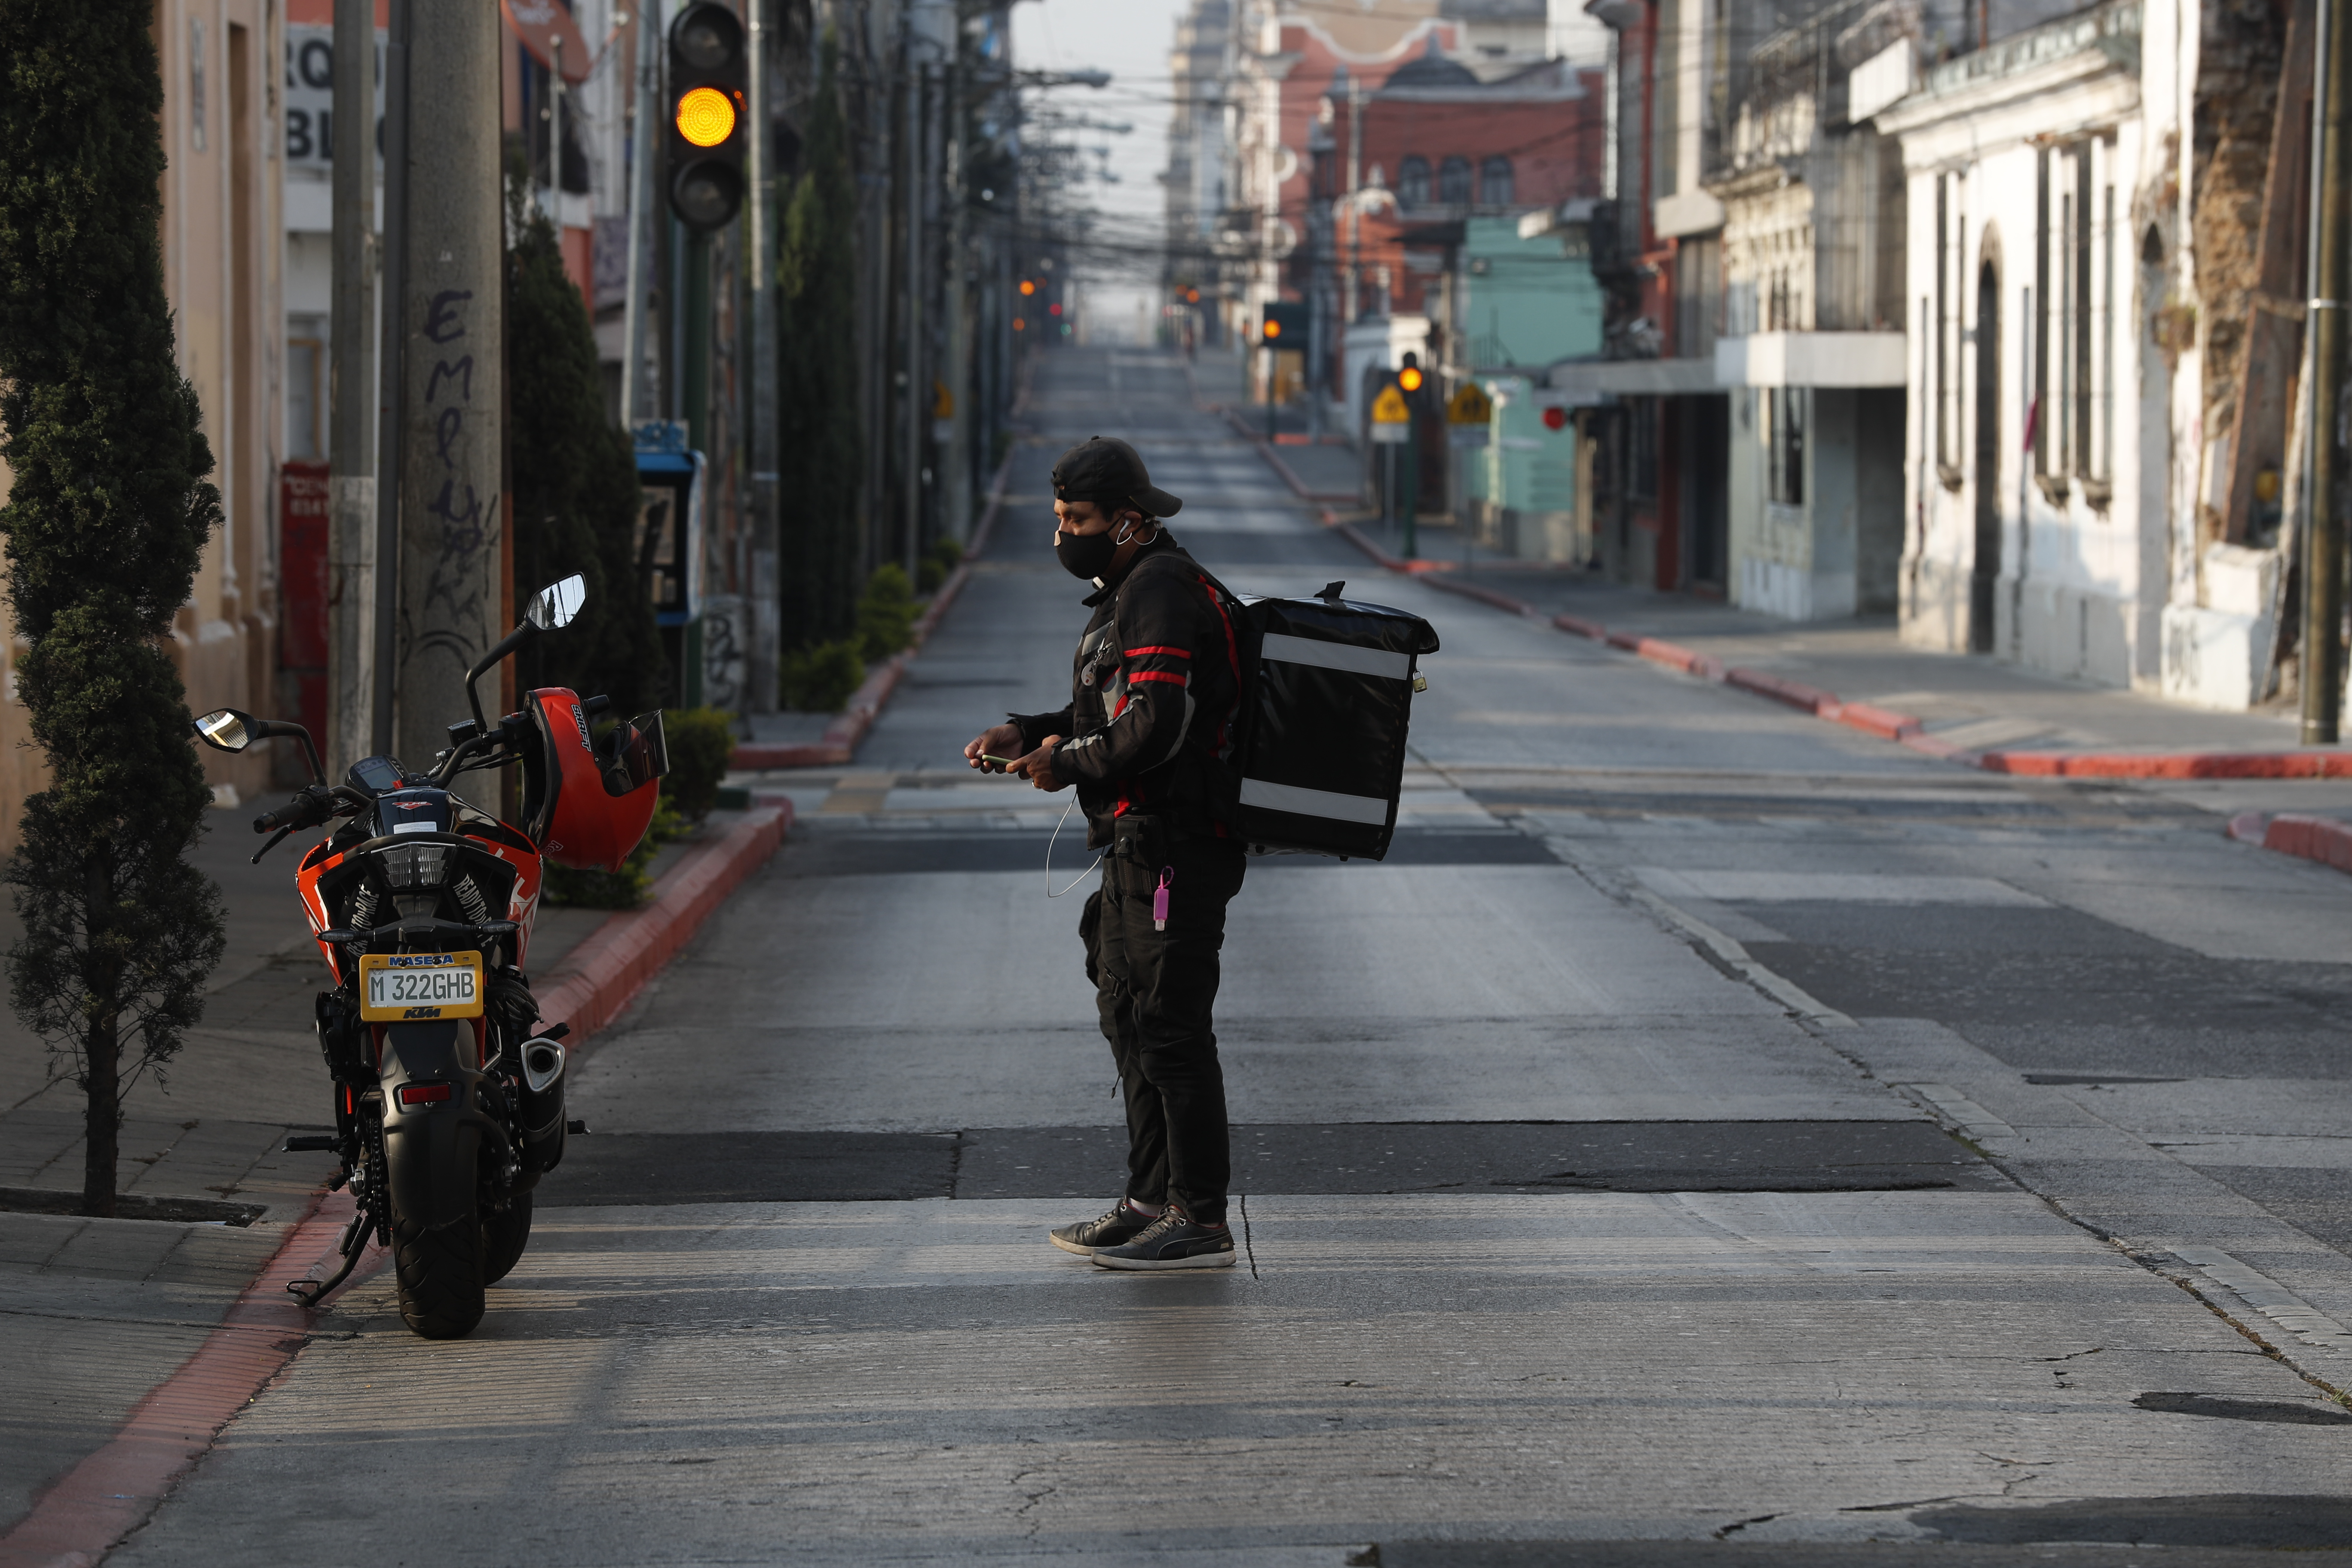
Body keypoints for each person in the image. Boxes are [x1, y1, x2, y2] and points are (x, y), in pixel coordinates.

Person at [964, 436, 1248, 1271]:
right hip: (1135, 845)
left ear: (1127, 522)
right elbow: (1111, 701)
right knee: (1129, 1018)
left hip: (1176, 846)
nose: (1062, 535)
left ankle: (1200, 1217)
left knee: (1169, 1025)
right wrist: (1035, 728)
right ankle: (1147, 1201)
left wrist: (1068, 763)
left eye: (1075, 519)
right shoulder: (1130, 586)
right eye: (1057, 518)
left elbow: (1157, 719)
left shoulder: (1159, 587)